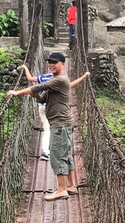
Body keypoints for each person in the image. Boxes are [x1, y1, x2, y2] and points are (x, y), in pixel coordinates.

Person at [9, 53, 89, 200]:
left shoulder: (60, 80)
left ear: (62, 64)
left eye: (54, 62)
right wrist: (36, 96)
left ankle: (61, 190)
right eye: (50, 62)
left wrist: (16, 93)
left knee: (57, 156)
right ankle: (70, 186)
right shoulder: (55, 80)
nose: (51, 65)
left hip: (60, 125)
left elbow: (36, 87)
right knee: (65, 155)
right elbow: (42, 97)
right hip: (62, 124)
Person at [19, 63, 91, 162]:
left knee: (47, 129)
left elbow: (30, 79)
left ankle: (46, 151)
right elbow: (71, 85)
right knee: (57, 128)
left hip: (42, 107)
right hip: (55, 108)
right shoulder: (60, 80)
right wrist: (83, 76)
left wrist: (25, 67)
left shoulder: (43, 77)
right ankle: (53, 151)